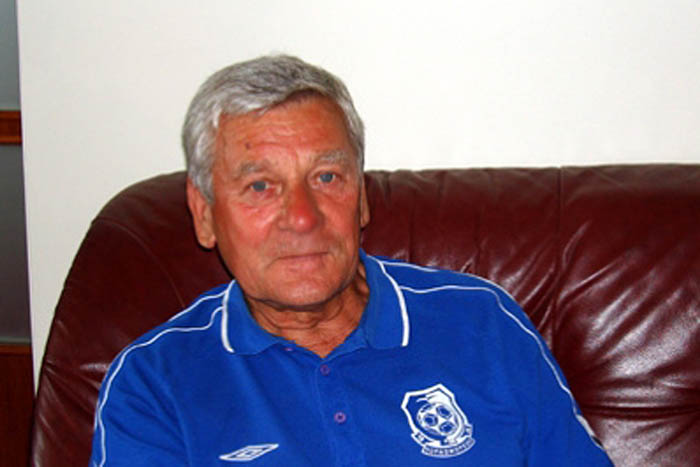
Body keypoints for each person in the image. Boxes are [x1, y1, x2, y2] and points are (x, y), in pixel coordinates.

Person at [90, 55, 612, 466]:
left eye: (326, 177)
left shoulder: (482, 324)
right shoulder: (153, 385)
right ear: (204, 213)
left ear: (361, 198)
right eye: (260, 186)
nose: (302, 217)